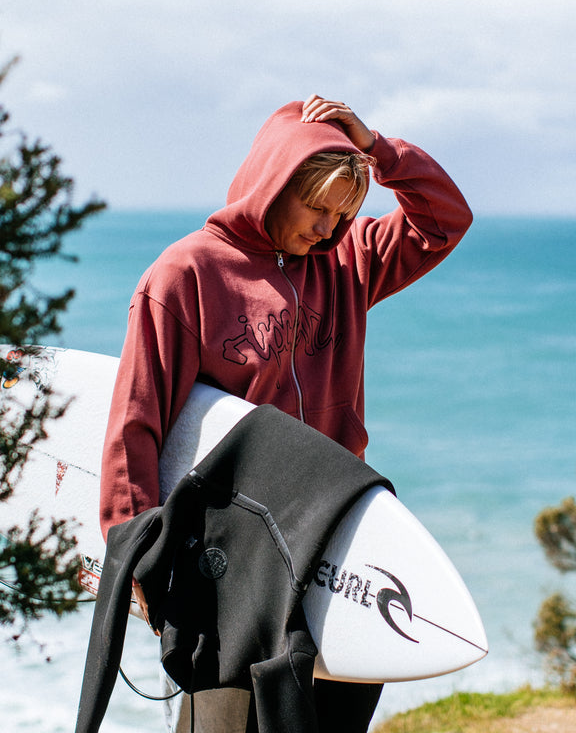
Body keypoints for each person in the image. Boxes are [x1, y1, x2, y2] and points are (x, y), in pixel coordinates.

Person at [99, 94, 473, 732]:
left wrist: (377, 148)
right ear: (277, 183)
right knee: (227, 718)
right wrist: (132, 542)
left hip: (336, 530)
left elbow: (443, 219)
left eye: (343, 212)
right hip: (234, 544)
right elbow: (138, 416)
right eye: (317, 206)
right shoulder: (185, 274)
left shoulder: (347, 264)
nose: (329, 227)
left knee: (335, 715)